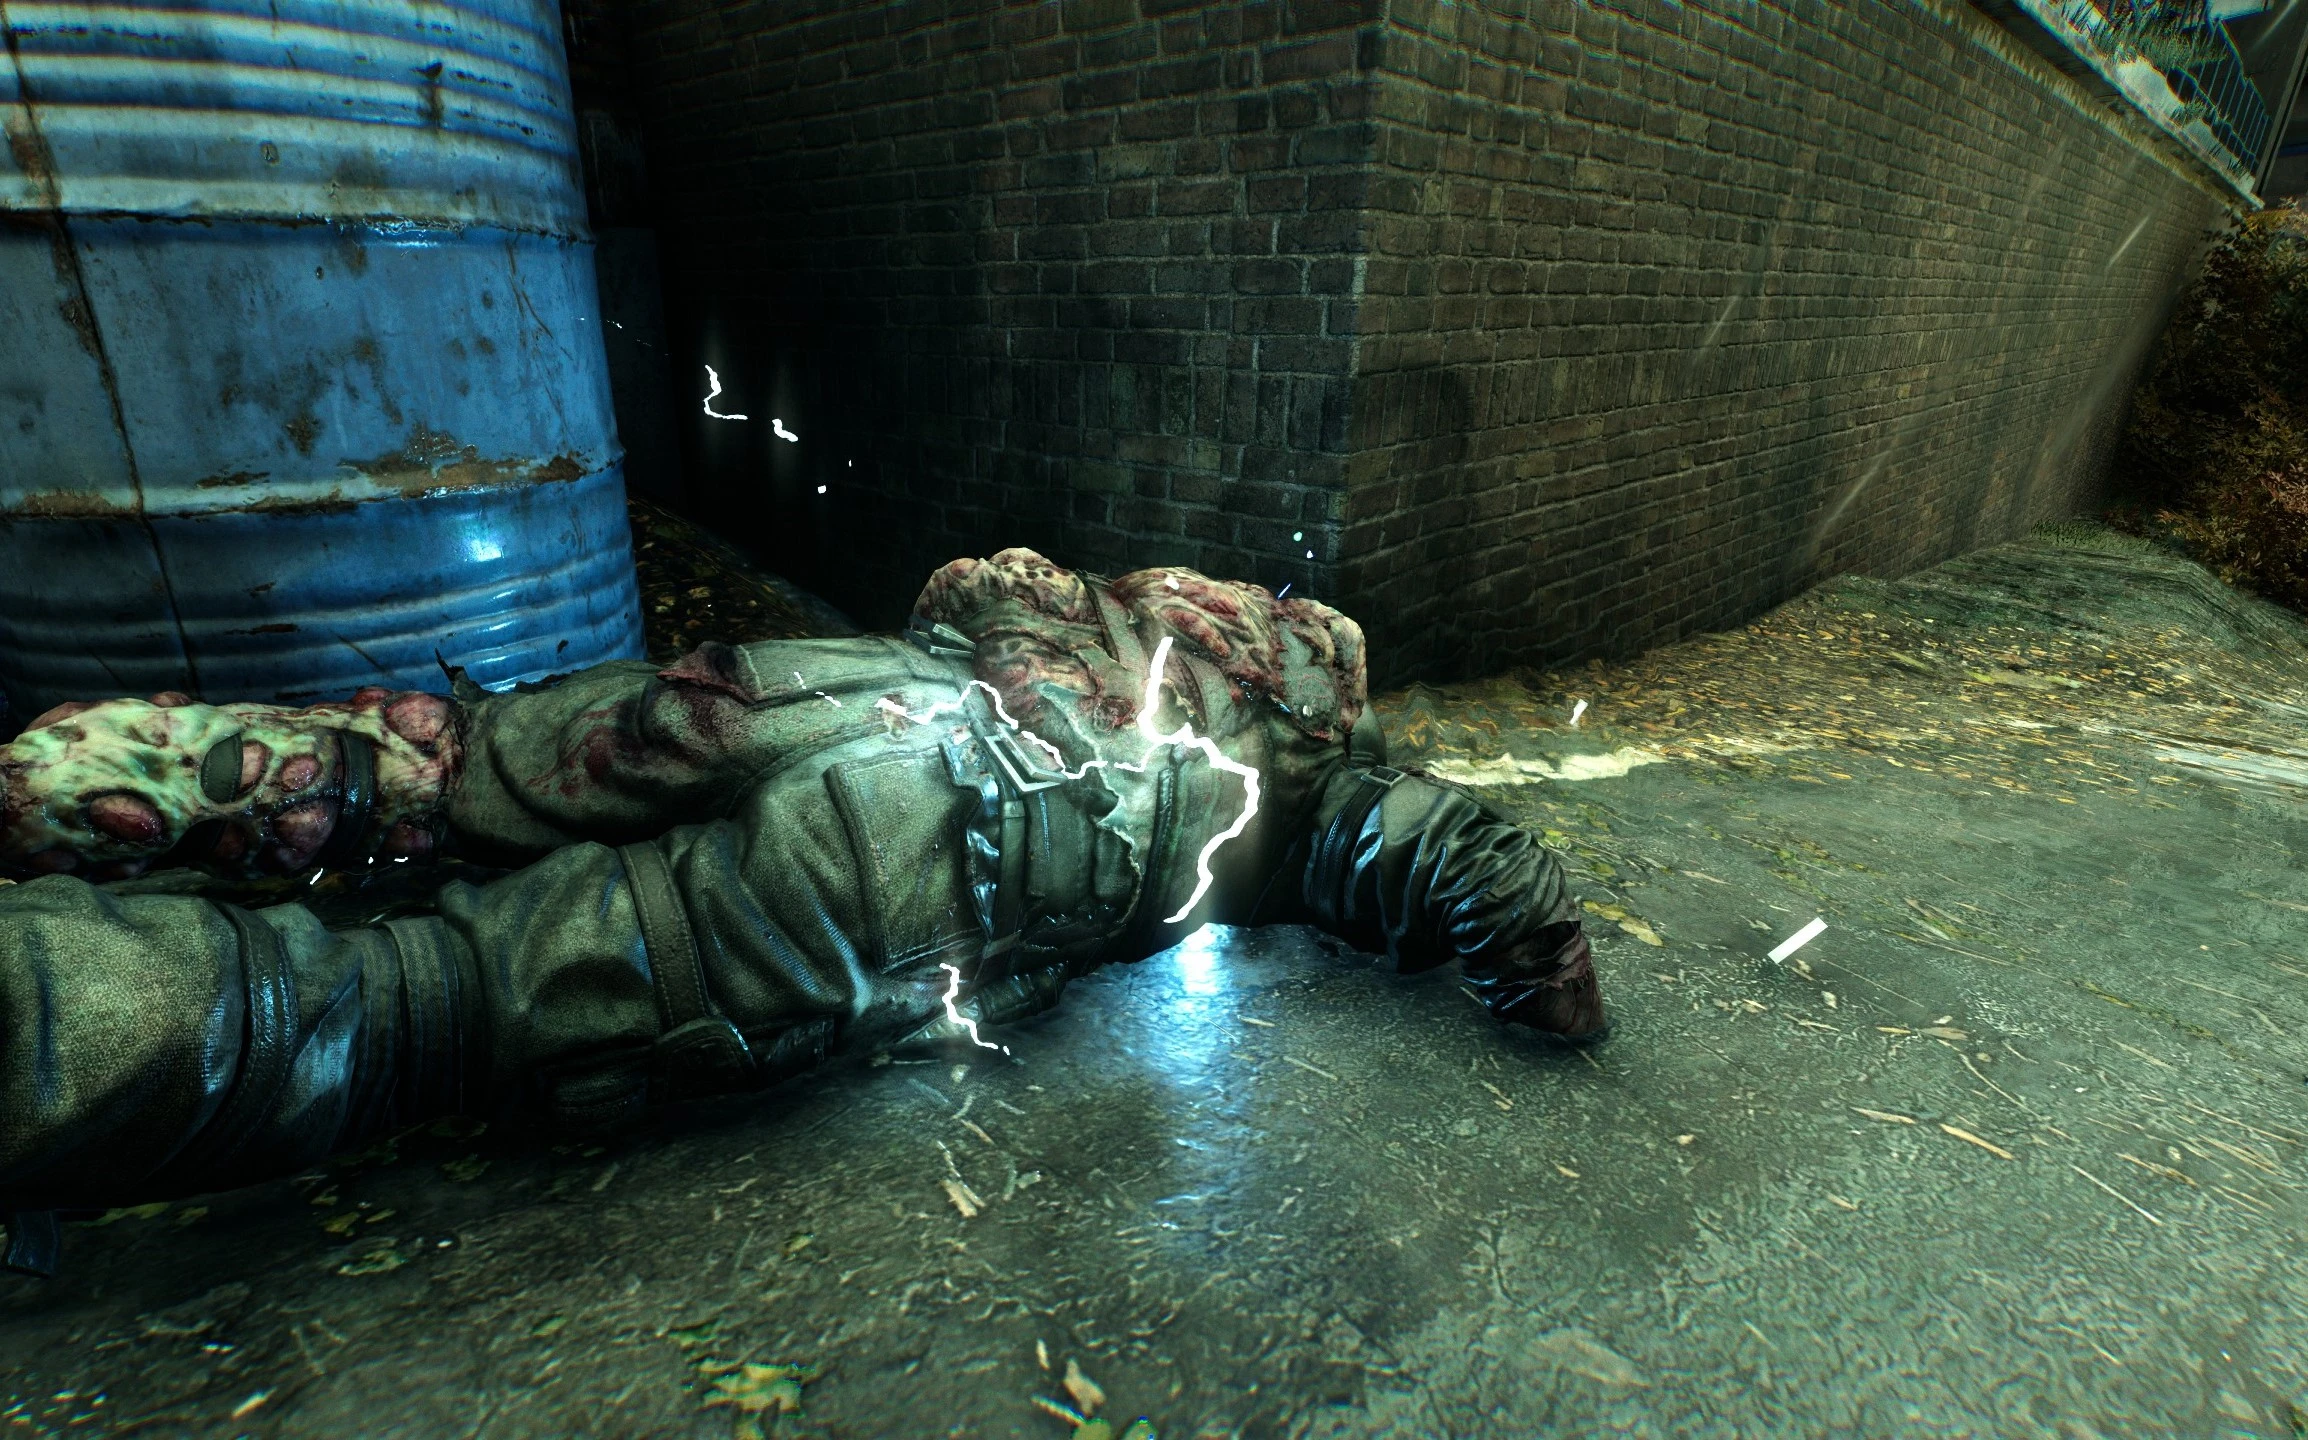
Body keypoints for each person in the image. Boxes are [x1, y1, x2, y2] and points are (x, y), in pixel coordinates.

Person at [0, 549, 1605, 1275]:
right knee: (424, 1004)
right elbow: (1464, 863)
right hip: (937, 851)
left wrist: (1014, 666)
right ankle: (46, 1023)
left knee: (452, 773)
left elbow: (973, 585)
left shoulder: (1131, 613)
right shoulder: (1316, 778)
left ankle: (168, 784)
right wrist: (1549, 970)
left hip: (833, 694)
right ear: (1328, 692)